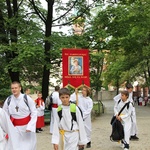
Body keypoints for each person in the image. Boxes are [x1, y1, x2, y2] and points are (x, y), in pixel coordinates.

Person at [3, 81, 37, 150]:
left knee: (27, 146)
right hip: (14, 128)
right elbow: (4, 114)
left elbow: (34, 112)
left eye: (16, 88)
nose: (14, 90)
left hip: (26, 128)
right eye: (12, 88)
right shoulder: (9, 100)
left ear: (20, 88)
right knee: (14, 146)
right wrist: (6, 128)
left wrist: (30, 126)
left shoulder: (26, 98)